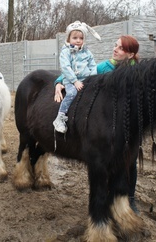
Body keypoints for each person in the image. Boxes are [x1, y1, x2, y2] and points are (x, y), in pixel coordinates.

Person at [54, 35, 141, 213]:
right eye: (115, 45)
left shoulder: (138, 73)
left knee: (130, 163)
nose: (115, 49)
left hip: (129, 123)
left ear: (131, 55)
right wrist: (58, 83)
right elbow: (78, 73)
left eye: (121, 48)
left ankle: (130, 199)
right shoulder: (104, 67)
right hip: (109, 123)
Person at [53, 21, 101, 133]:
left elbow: (93, 65)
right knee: (72, 93)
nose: (78, 40)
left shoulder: (87, 52)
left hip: (86, 79)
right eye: (75, 38)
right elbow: (66, 67)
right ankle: (60, 117)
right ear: (69, 38)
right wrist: (74, 81)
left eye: (81, 38)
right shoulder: (65, 52)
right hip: (71, 80)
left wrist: (92, 79)